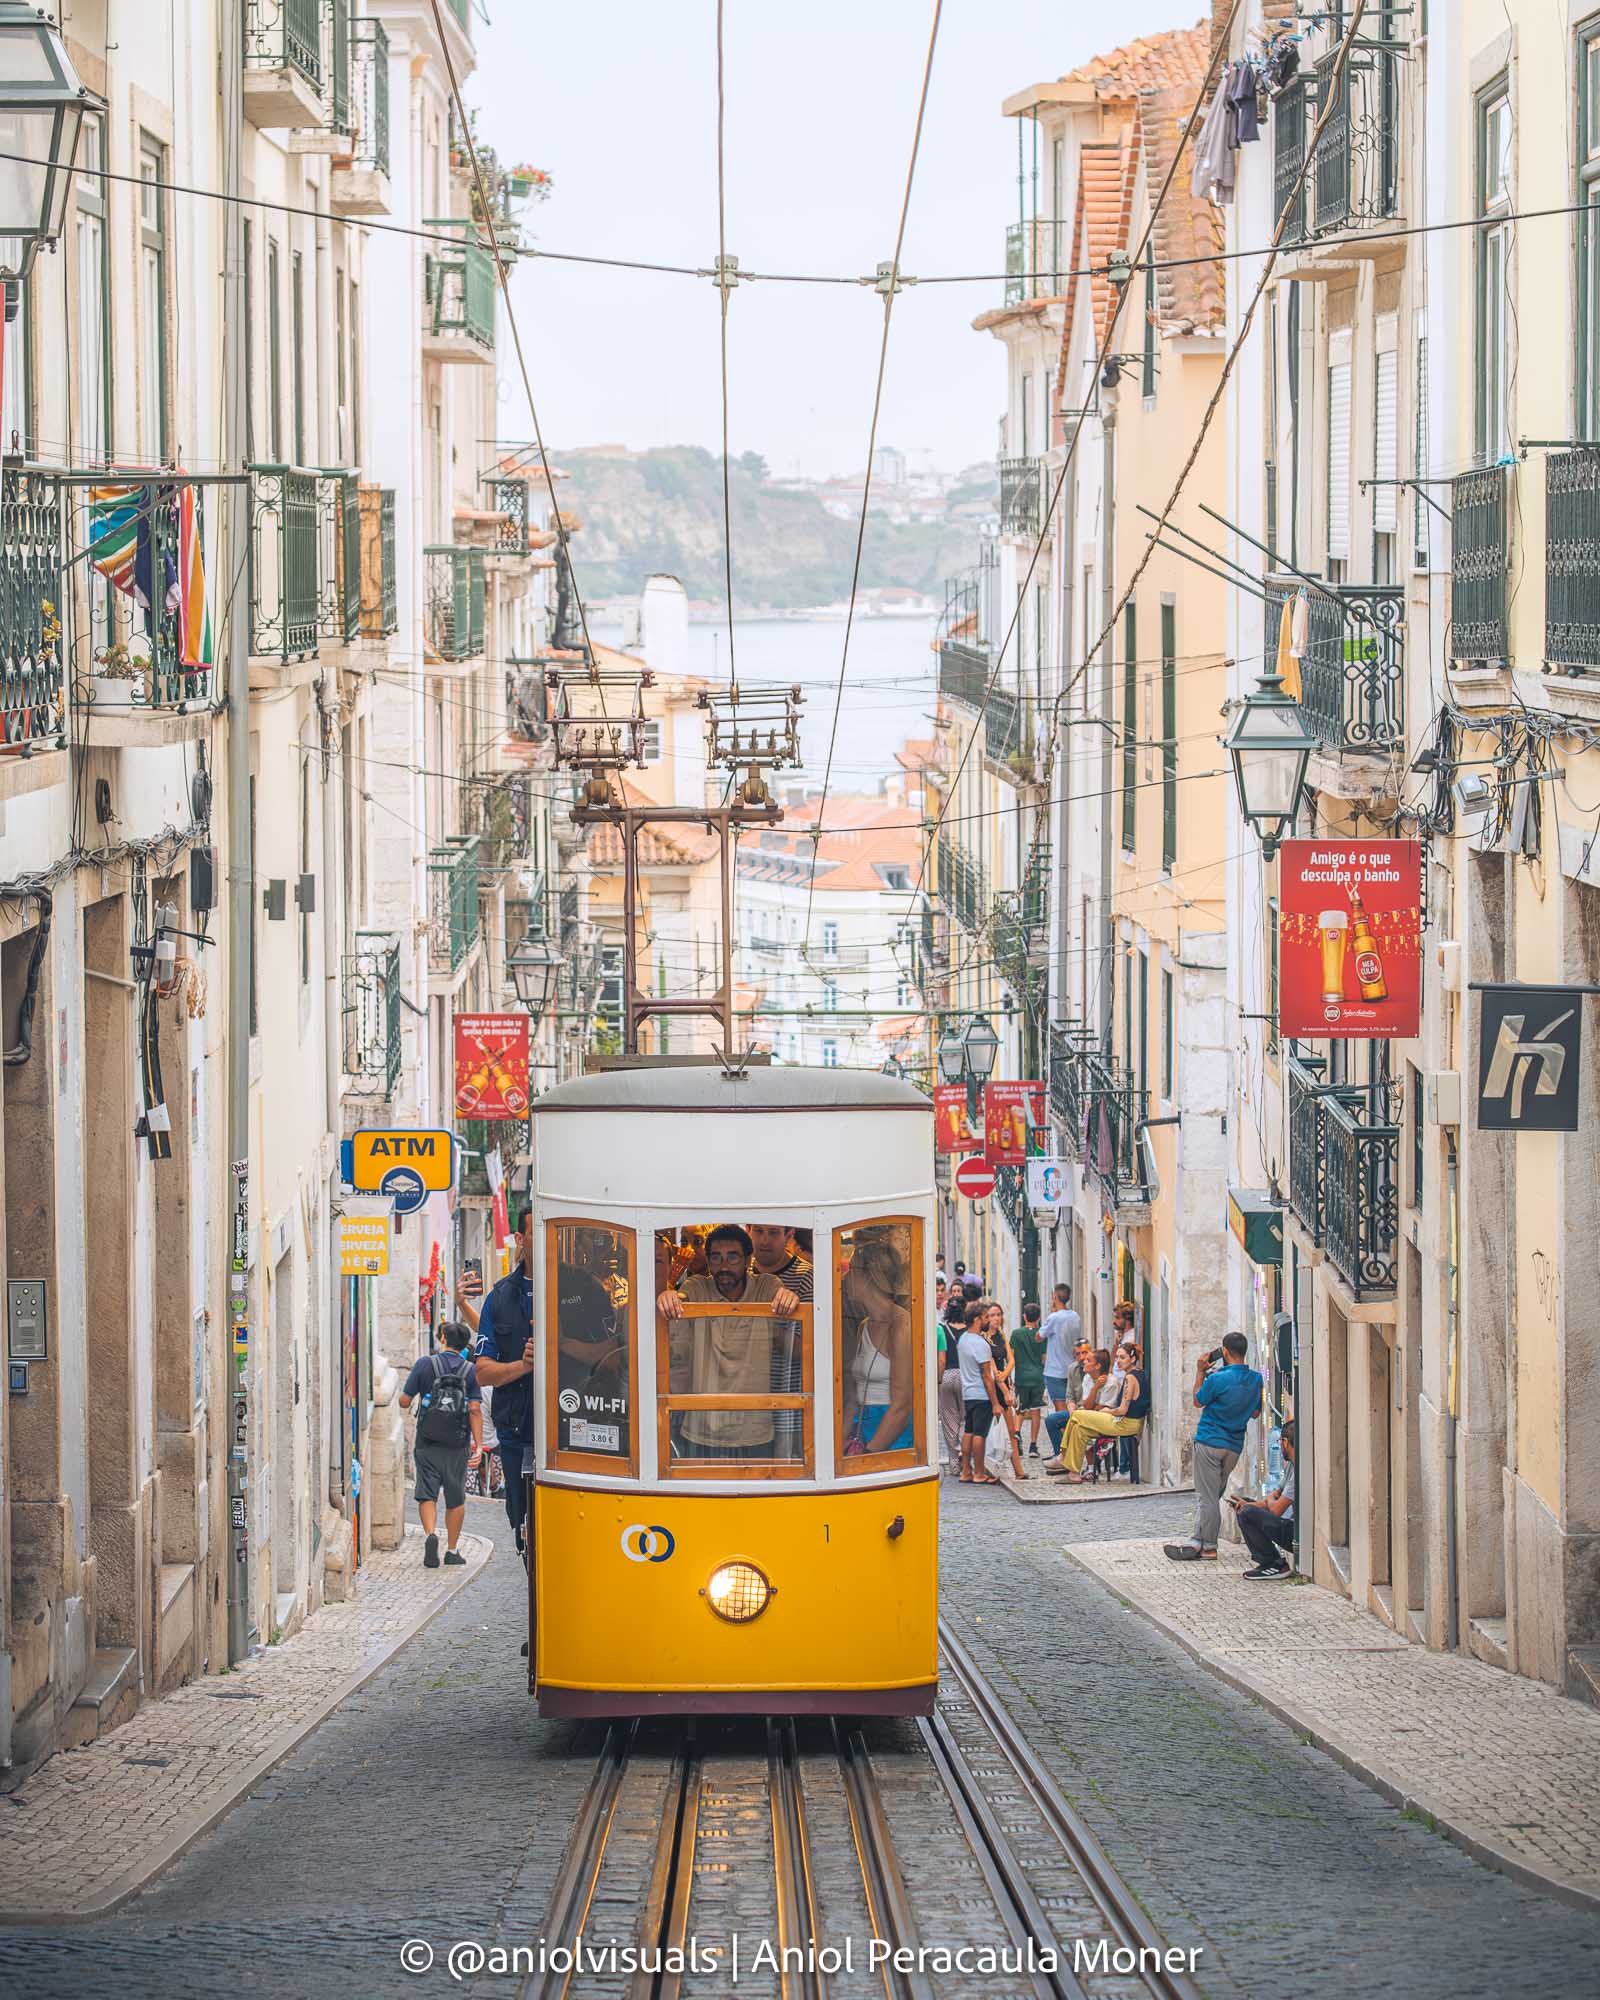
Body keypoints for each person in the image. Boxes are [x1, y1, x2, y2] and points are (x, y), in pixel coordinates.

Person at [660, 1224, 800, 1460]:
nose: (723, 1266)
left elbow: (782, 1296)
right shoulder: (698, 1286)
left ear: (748, 1260)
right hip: (700, 1430)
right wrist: (669, 1295)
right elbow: (681, 1298)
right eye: (716, 1258)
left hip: (755, 1432)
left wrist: (788, 1297)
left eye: (732, 1258)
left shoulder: (766, 1286)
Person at [473, 1207, 538, 1565]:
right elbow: (482, 1373)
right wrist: (524, 1365)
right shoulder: (500, 1298)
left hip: (568, 1432)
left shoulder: (580, 1288)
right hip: (515, 1430)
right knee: (522, 1519)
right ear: (520, 1239)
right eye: (535, 1231)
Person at [1165, 1333, 1264, 1562]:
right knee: (1212, 1495)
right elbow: (1256, 1412)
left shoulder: (1217, 1379)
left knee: (1206, 1497)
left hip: (1210, 1441)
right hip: (1234, 1446)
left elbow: (1198, 1400)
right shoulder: (1256, 1379)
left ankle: (1208, 1546)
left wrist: (1200, 1371)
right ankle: (1197, 1540)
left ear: (1225, 1352)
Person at [399, 1320, 484, 1567]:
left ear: (443, 1339)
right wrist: (478, 1446)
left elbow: (404, 1401)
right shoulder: (470, 1371)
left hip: (427, 1440)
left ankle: (430, 1534)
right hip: (457, 1444)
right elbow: (475, 1409)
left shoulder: (425, 1364)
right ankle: (453, 1550)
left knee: (427, 1491)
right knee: (455, 1497)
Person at [841, 1228, 915, 1453]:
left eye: (852, 1271)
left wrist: (869, 1453)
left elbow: (902, 1406)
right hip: (861, 1432)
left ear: (867, 1277)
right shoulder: (864, 1325)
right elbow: (853, 1400)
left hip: (890, 1440)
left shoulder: (901, 1323)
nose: (846, 1277)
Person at [1047, 1337, 1149, 1480]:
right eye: (1118, 1357)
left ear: (1132, 1359)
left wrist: (1108, 1411)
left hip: (1125, 1423)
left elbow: (1122, 1410)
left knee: (1077, 1415)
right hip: (1126, 1422)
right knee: (1078, 1429)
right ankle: (1074, 1474)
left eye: (1123, 1357)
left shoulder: (1130, 1378)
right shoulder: (1137, 1373)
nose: (1118, 1360)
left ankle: (1063, 1455)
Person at [1233, 1420, 1296, 1579]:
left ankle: (1273, 1564)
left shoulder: (1299, 1472)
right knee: (1245, 1508)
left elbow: (1275, 1509)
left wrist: (1263, 1504)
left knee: (1247, 1513)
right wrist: (1248, 1504)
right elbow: (1274, 1495)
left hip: (1296, 1533)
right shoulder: (1291, 1465)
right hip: (1290, 1523)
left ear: (1285, 1442)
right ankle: (1271, 1563)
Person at [1043, 1345, 1112, 1460]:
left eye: (1085, 1354)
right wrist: (1072, 1411)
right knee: (1051, 1420)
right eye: (1078, 1354)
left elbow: (1098, 1408)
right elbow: (1070, 1397)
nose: (1082, 1358)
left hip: (1092, 1414)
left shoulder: (1108, 1381)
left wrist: (1094, 1390)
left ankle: (1065, 1458)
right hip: (1079, 1410)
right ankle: (1060, 1455)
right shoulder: (1076, 1371)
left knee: (1077, 1424)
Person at [983, 1301, 1027, 1479]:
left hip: (1003, 1382)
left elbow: (1011, 1359)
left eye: (998, 1314)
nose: (996, 1318)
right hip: (993, 1388)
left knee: (1011, 1432)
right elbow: (992, 1367)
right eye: (993, 1315)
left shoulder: (1001, 1336)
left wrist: (1005, 1375)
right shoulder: (984, 1339)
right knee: (991, 1431)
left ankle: (1019, 1471)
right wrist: (1005, 1389)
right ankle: (990, 1467)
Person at [957, 1307, 1001, 1485]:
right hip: (981, 1394)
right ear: (977, 1320)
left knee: (968, 1431)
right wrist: (995, 1403)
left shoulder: (963, 1340)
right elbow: (986, 1375)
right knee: (979, 1434)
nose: (988, 1321)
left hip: (967, 1392)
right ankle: (979, 1472)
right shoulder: (980, 1343)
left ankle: (966, 1471)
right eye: (985, 1317)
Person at [1009, 1302, 1047, 1455]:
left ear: (1024, 1316)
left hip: (1021, 1376)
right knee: (1035, 1410)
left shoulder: (1016, 1334)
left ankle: (1017, 1432)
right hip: (1037, 1377)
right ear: (1038, 1318)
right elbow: (1044, 1358)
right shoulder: (1041, 1335)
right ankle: (1033, 1445)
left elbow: (1011, 1355)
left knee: (1020, 1408)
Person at [1040, 1284, 1081, 1412]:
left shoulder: (1054, 1317)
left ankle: (1064, 1432)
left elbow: (1039, 1336)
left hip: (1055, 1370)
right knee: (1072, 1407)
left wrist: (1053, 1313)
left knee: (1061, 1410)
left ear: (1055, 1297)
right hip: (1072, 1367)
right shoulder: (1075, 1316)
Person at [937, 1298, 967, 1471]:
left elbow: (942, 1359)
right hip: (965, 1376)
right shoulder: (968, 1331)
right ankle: (964, 1450)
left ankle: (954, 1464)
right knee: (965, 1418)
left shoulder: (942, 1329)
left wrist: (939, 1380)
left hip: (947, 1375)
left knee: (949, 1421)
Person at [749, 1222, 814, 1300]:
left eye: (773, 1233)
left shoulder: (807, 1278)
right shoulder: (740, 1270)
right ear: (748, 1231)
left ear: (789, 1236)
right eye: (758, 1230)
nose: (764, 1241)